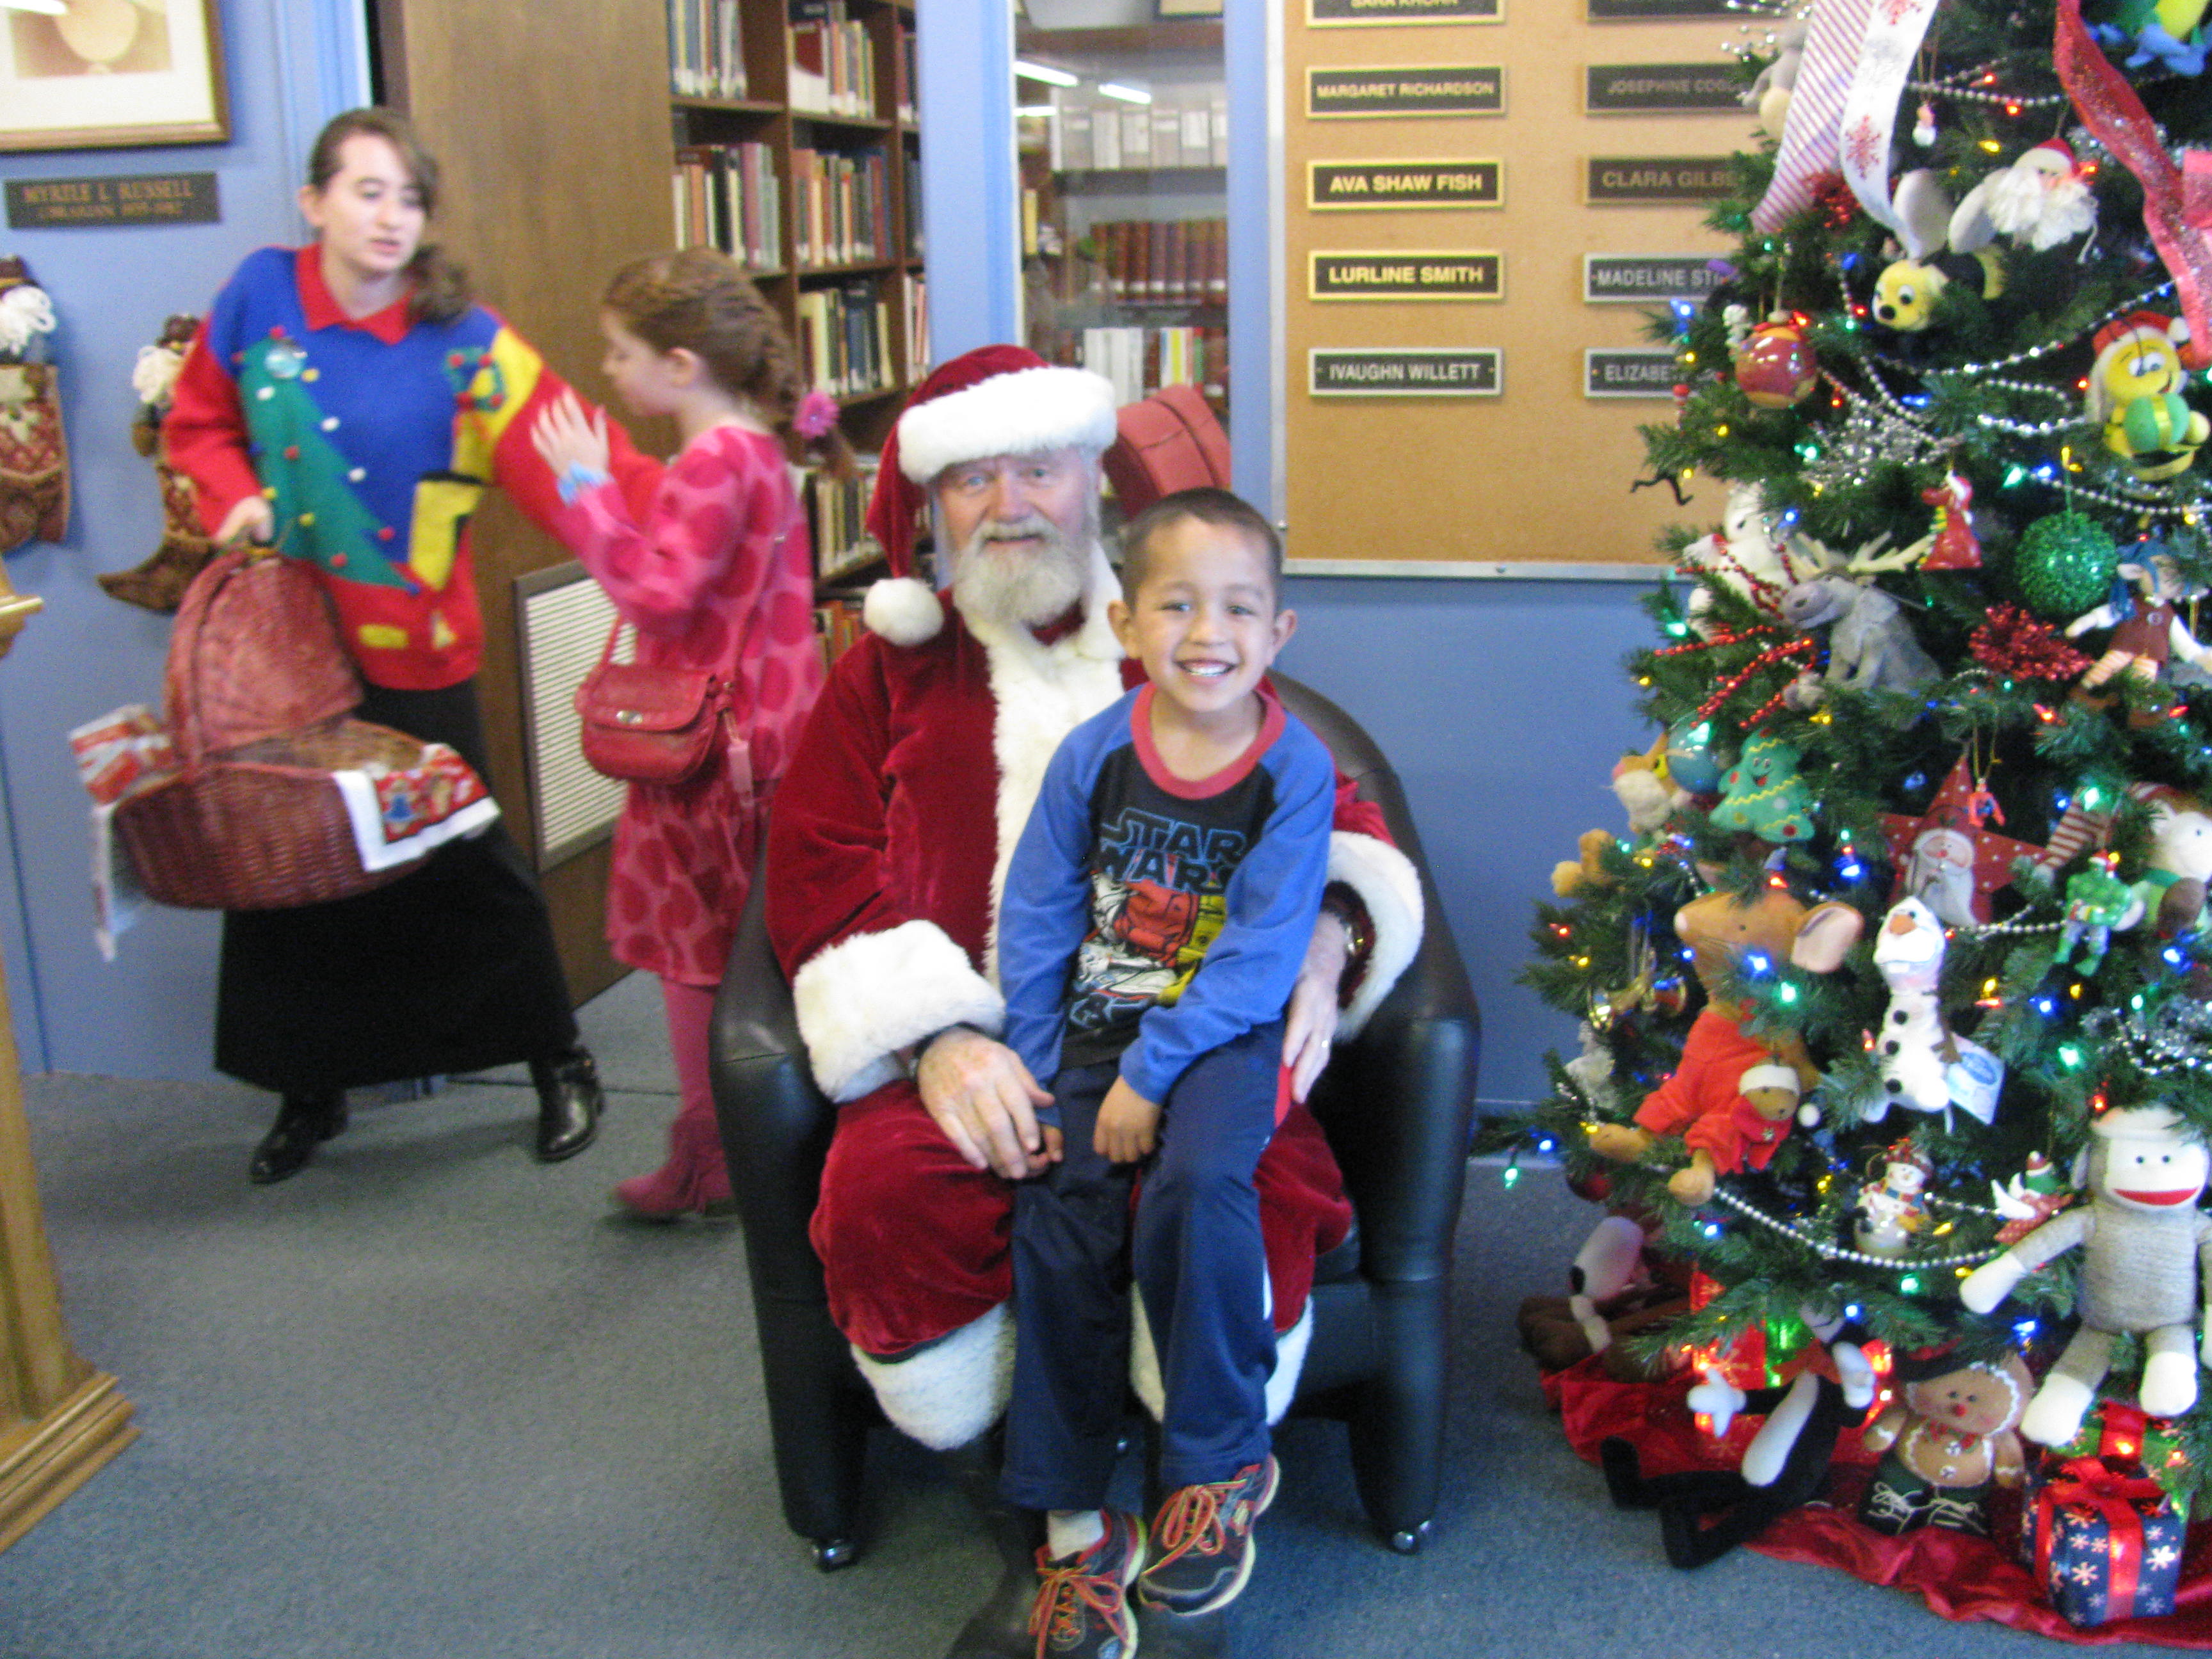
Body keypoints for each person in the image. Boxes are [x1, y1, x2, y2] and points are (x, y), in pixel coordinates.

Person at [763, 345, 1425, 1655]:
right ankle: (1061, 1532)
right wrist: (935, 1037)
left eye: (1038, 469)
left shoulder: (1181, 630)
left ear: (1090, 481)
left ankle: (1198, 1493)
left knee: (1237, 1189)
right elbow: (817, 873)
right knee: (896, 1197)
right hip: (980, 1044)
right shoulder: (882, 678)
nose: (1009, 504)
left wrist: (1324, 941)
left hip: (1194, 1034)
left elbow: (1334, 823)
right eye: (973, 480)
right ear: (933, 508)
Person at [164, 108, 657, 1183]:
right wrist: (232, 495)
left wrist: (696, 515)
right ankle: (311, 1088)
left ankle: (557, 1055)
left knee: (463, 859)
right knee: (289, 871)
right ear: (314, 202)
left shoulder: (463, 337)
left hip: (413, 644)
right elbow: (199, 424)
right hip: (281, 658)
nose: (391, 217)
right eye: (367, 191)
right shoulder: (258, 295)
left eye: (410, 198)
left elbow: (565, 449)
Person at [997, 488, 1329, 1654]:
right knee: (1059, 1211)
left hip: (1223, 1036)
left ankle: (1219, 1467)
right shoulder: (1091, 755)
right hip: (1095, 1028)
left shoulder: (1294, 770)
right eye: (1177, 605)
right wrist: (1039, 1066)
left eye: (1238, 608)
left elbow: (1262, 956)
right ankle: (1076, 1526)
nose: (1207, 633)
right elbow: (1037, 916)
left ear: (1278, 632)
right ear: (1126, 624)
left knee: (1200, 1186)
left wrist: (1152, 1075)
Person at [529, 248, 831, 1219]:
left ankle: (715, 1157)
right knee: (751, 951)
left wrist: (583, 492)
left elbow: (659, 594)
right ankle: (763, 1147)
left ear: (680, 365)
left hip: (708, 753)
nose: (609, 372)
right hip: (765, 737)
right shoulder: (755, 448)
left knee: (695, 961)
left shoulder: (714, 459)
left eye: (621, 353)